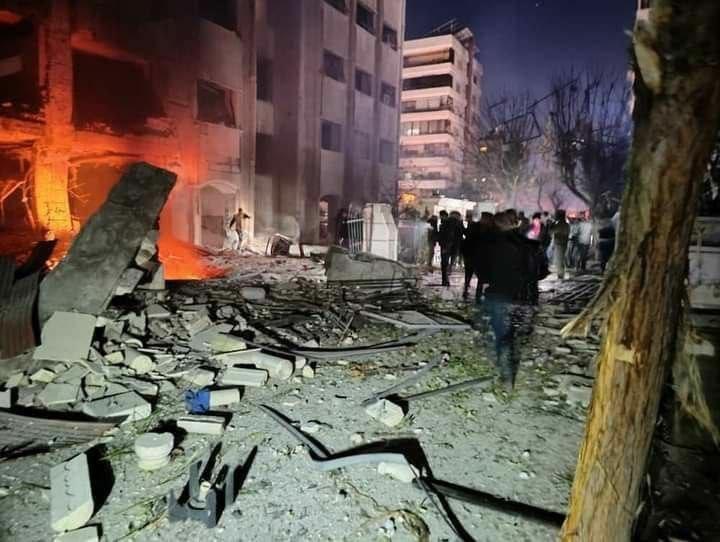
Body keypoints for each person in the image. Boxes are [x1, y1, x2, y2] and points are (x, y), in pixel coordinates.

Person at [484, 211, 529, 390]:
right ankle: (506, 373)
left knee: (502, 335)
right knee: (508, 332)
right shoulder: (523, 242)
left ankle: (506, 376)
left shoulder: (496, 243)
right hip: (516, 294)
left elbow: (485, 271)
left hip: (499, 293)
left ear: (500, 225)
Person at [438, 210, 460, 287]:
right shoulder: (458, 224)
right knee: (448, 263)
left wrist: (444, 246)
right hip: (454, 247)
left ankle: (445, 280)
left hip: (446, 246)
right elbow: (459, 236)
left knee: (444, 264)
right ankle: (446, 277)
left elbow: (444, 235)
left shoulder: (446, 223)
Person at [550, 209, 570, 280]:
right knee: (561, 259)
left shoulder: (558, 225)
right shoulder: (567, 225)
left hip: (559, 243)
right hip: (564, 243)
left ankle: (560, 274)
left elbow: (551, 231)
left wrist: (552, 224)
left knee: (559, 259)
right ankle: (561, 273)